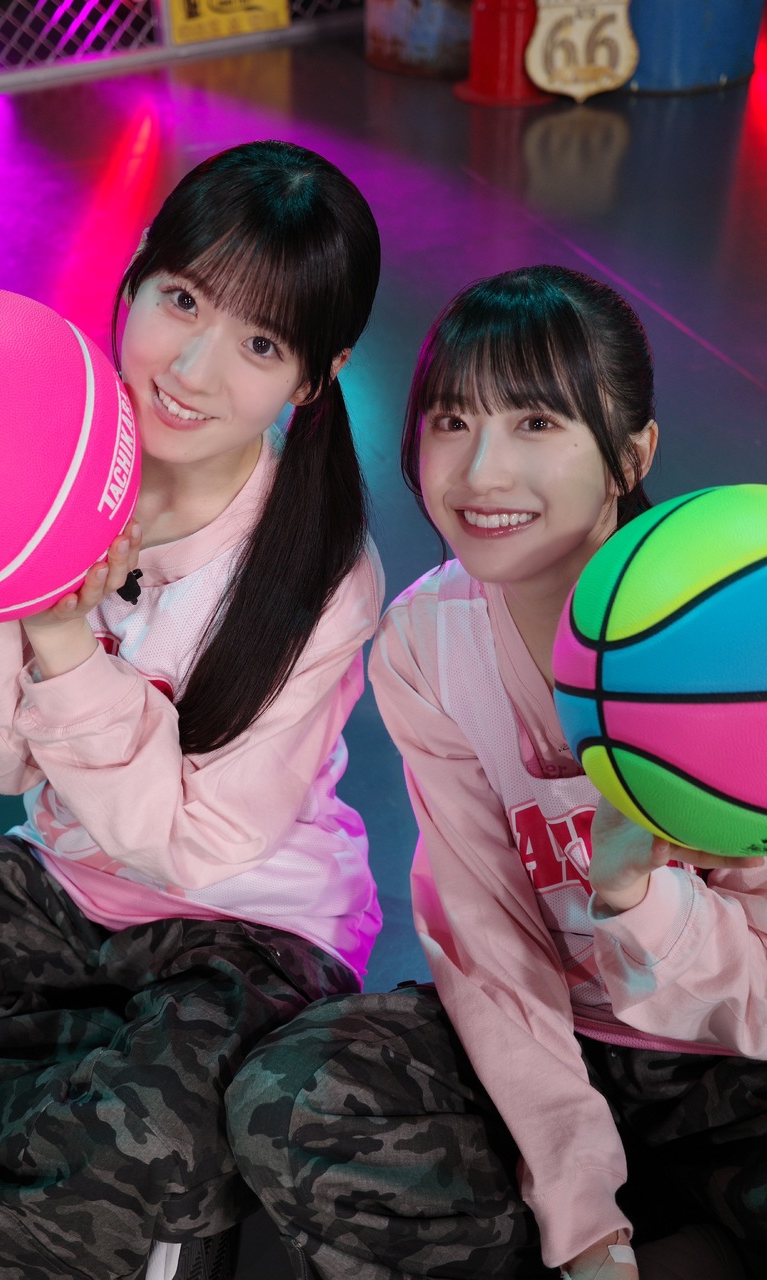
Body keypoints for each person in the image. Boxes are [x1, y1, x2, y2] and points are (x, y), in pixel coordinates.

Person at [226, 266, 767, 1280]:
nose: (481, 470)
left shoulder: (735, 631)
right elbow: (486, 942)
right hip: (549, 1051)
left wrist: (636, 900)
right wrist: (583, 1214)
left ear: (630, 454)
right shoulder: (427, 641)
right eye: (451, 420)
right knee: (290, 1094)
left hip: (733, 1063)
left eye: (534, 422)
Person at [0, 139, 384, 1280]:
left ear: (313, 378)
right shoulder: (40, 450)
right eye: (182, 299)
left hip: (247, 926)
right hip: (68, 883)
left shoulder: (321, 574)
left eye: (261, 344)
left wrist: (65, 639)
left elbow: (192, 845)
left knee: (150, 1128)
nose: (192, 368)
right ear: (135, 276)